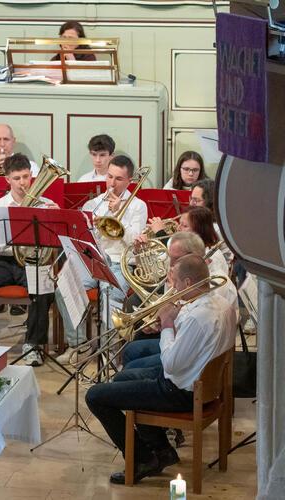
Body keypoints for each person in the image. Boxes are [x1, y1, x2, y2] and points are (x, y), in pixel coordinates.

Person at [85, 255, 235, 485]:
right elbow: (190, 348)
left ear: (187, 283)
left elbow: (171, 364)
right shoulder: (221, 304)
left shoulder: (197, 317)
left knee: (95, 396)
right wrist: (173, 322)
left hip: (180, 391)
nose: (172, 287)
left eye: (175, 282)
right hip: (198, 382)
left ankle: (141, 460)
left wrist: (166, 326)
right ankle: (161, 450)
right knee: (123, 378)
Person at [58, 155, 147, 364]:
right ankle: (79, 345)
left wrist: (118, 216)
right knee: (64, 287)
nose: (112, 183)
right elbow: (83, 238)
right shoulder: (94, 204)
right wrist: (90, 227)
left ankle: (109, 350)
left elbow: (136, 242)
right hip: (94, 260)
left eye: (118, 179)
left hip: (122, 262)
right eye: (109, 177)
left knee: (109, 293)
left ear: (129, 181)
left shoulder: (138, 206)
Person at [0, 153, 59, 366]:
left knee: (43, 288)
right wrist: (12, 242)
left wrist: (56, 220)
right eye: (17, 178)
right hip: (6, 262)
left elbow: (59, 241)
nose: (22, 183)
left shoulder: (46, 205)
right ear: (7, 180)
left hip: (34, 262)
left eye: (26, 177)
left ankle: (33, 345)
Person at [122, 231, 237, 371]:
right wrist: (159, 320)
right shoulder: (182, 272)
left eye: (175, 259)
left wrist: (166, 323)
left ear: (193, 256)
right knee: (133, 345)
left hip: (192, 355)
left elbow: (196, 324)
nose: (170, 265)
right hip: (182, 338)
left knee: (133, 361)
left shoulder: (213, 282)